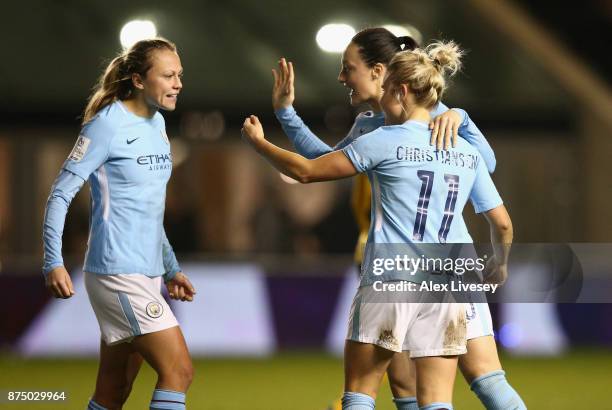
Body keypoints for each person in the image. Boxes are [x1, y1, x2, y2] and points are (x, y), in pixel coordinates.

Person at [243, 40, 513, 410]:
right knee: (432, 395)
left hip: (393, 273)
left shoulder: (386, 138)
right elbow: (501, 220)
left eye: (349, 68)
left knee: (362, 391)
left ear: (393, 84)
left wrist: (259, 145)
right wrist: (499, 262)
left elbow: (311, 170)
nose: (343, 77)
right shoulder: (435, 141)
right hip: (450, 277)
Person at [42, 38, 195, 410]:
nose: (178, 84)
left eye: (180, 75)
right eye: (168, 75)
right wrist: (53, 261)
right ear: (138, 80)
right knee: (179, 370)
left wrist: (171, 268)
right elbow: (60, 193)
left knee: (113, 389)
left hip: (146, 272)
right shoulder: (106, 125)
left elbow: (148, 211)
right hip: (116, 272)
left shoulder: (158, 124)